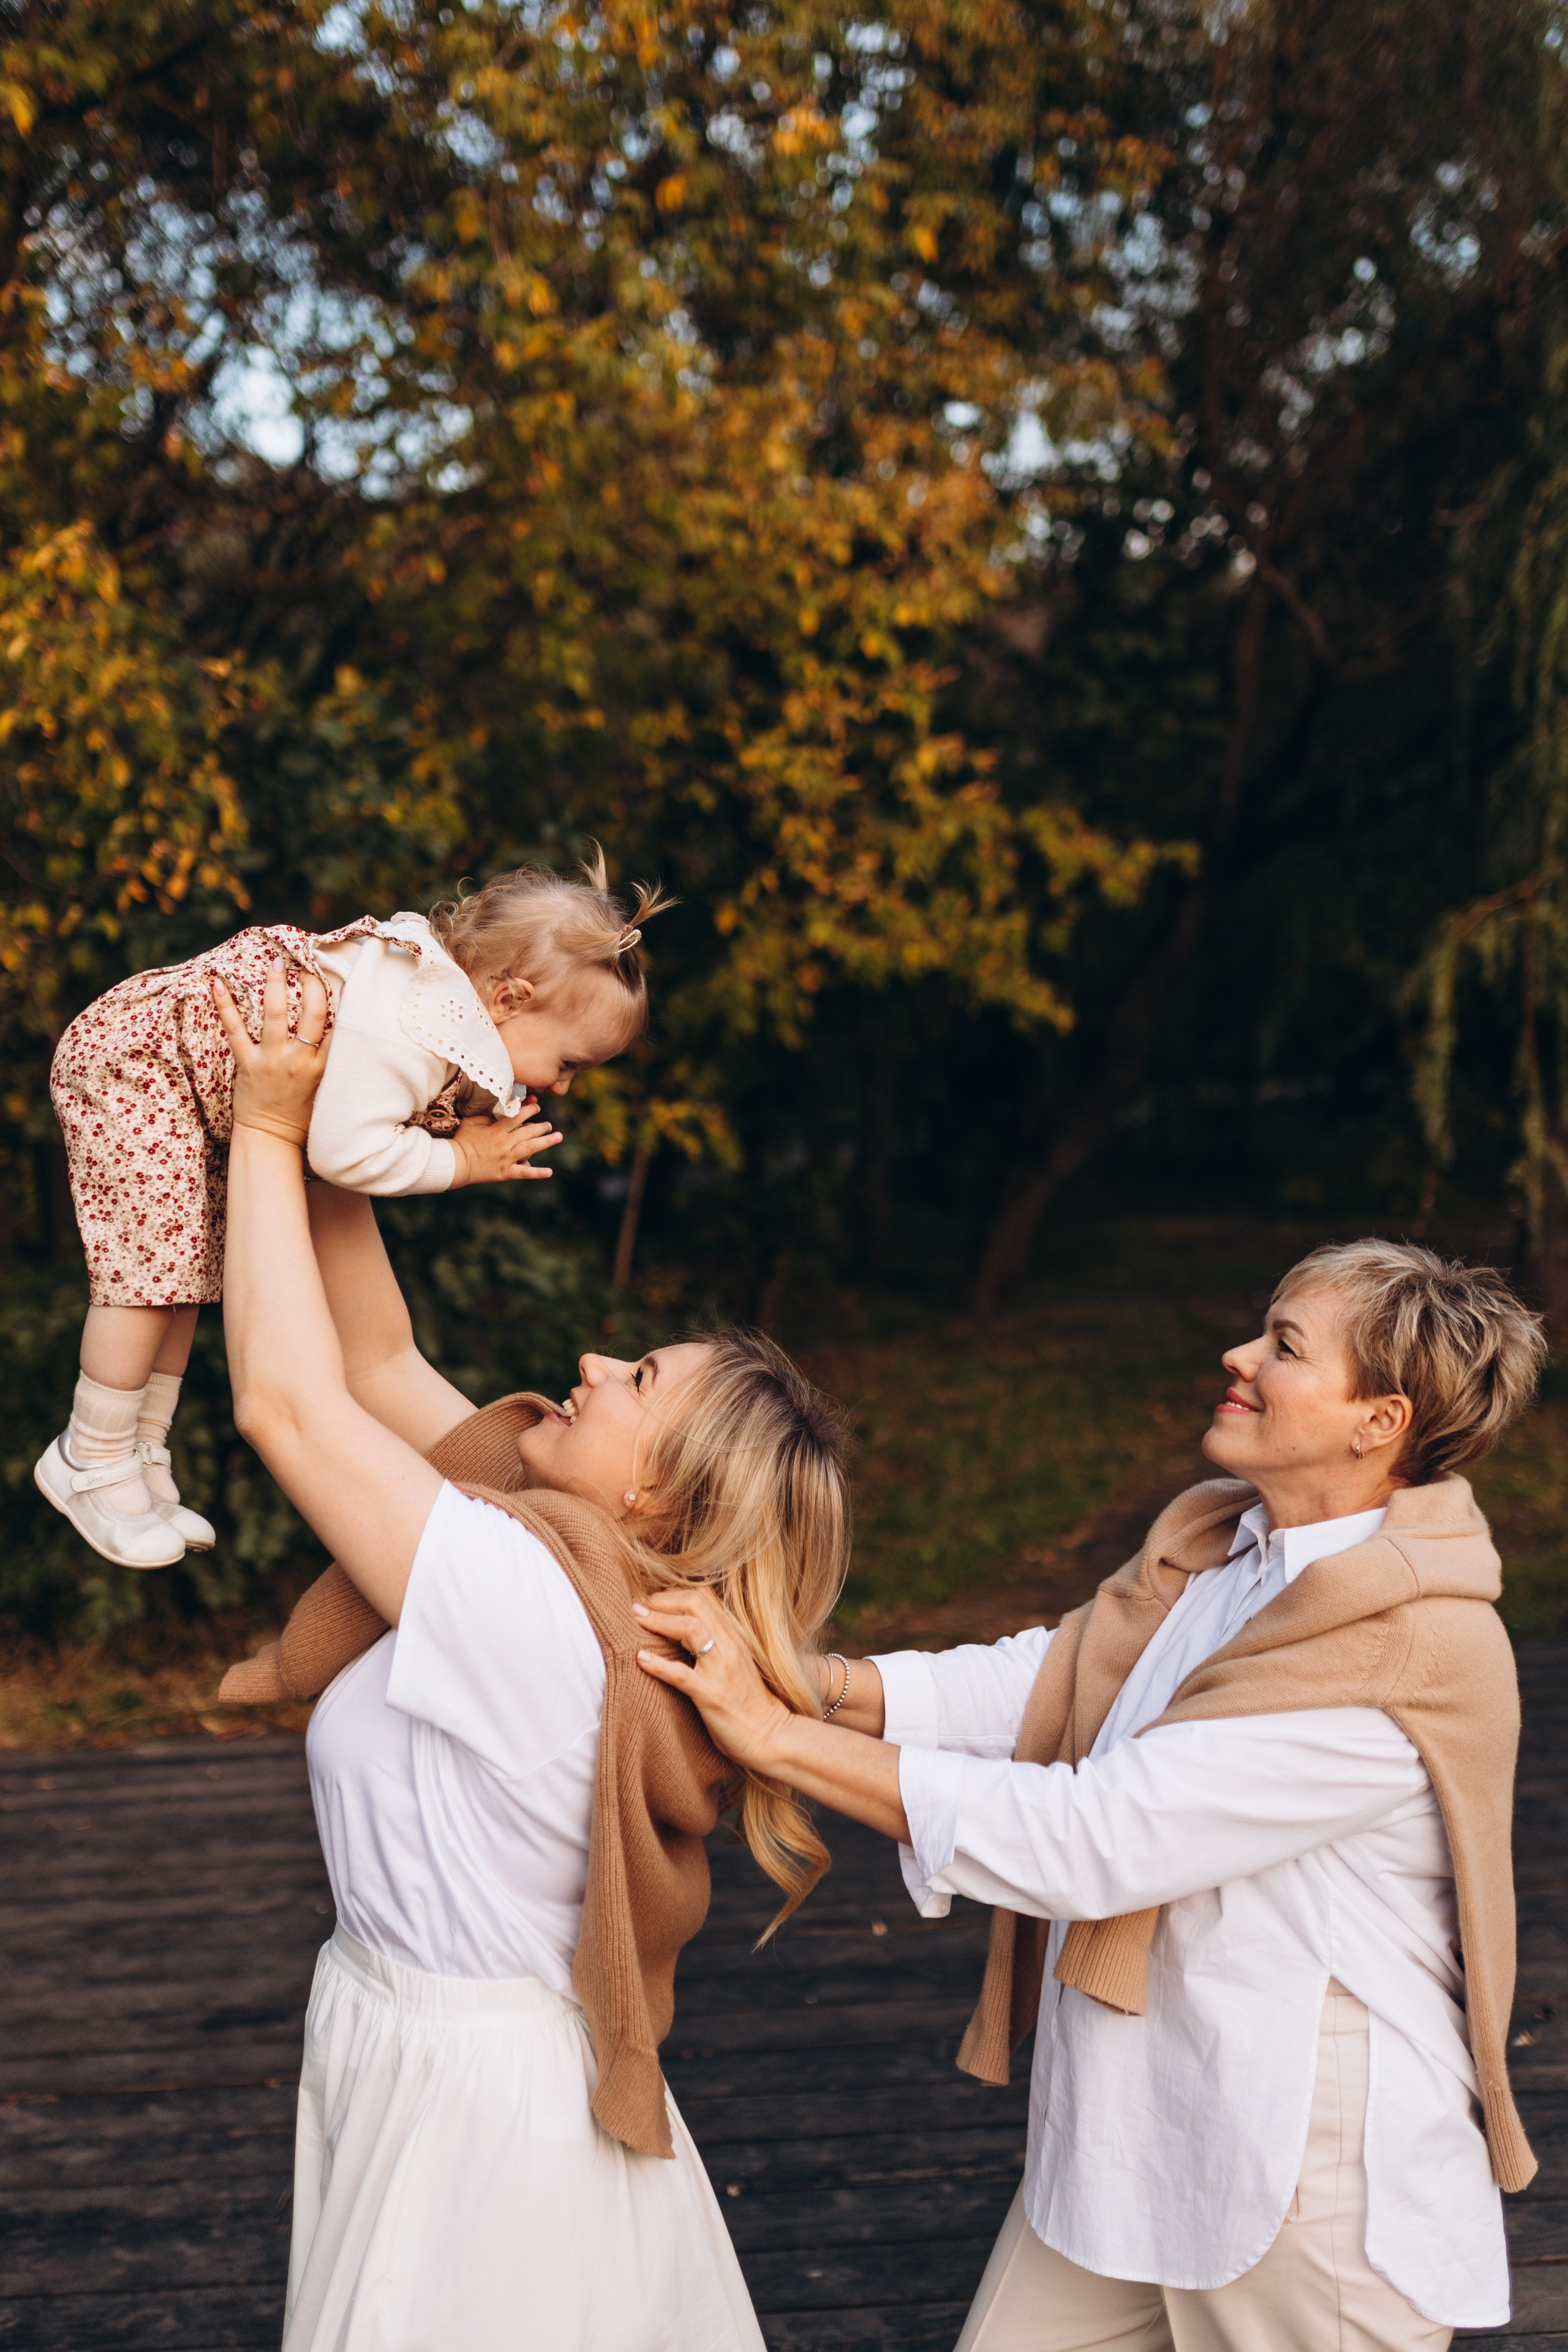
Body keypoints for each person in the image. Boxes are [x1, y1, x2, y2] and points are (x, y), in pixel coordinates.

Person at [638, 1239, 1545, 2351]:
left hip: (1301, 2179)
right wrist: (816, 1683)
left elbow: (1094, 1839)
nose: (1241, 1354)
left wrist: (773, 1736)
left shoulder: (1405, 1641)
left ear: (1380, 1421)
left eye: (1286, 1347)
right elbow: (1059, 1679)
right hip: (1130, 2143)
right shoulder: (1231, 1549)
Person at [210, 963, 850, 2351]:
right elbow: (378, 1362)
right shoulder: (568, 1560)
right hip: (422, 2049)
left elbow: (286, 1401)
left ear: (662, 1501)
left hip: (477, 2116)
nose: (591, 1355)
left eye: (634, 1383)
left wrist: (260, 1131)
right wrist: (333, 1116)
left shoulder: (532, 1604)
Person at [36, 850, 667, 1570]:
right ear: (510, 999)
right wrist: (461, 1162)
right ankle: (92, 1454)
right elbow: (343, 1154)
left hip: (181, 1086)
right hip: (141, 1067)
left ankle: (141, 1449)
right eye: (570, 1063)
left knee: (186, 1278)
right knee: (150, 1280)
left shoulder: (433, 1009)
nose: (563, 1087)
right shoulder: (405, 1027)